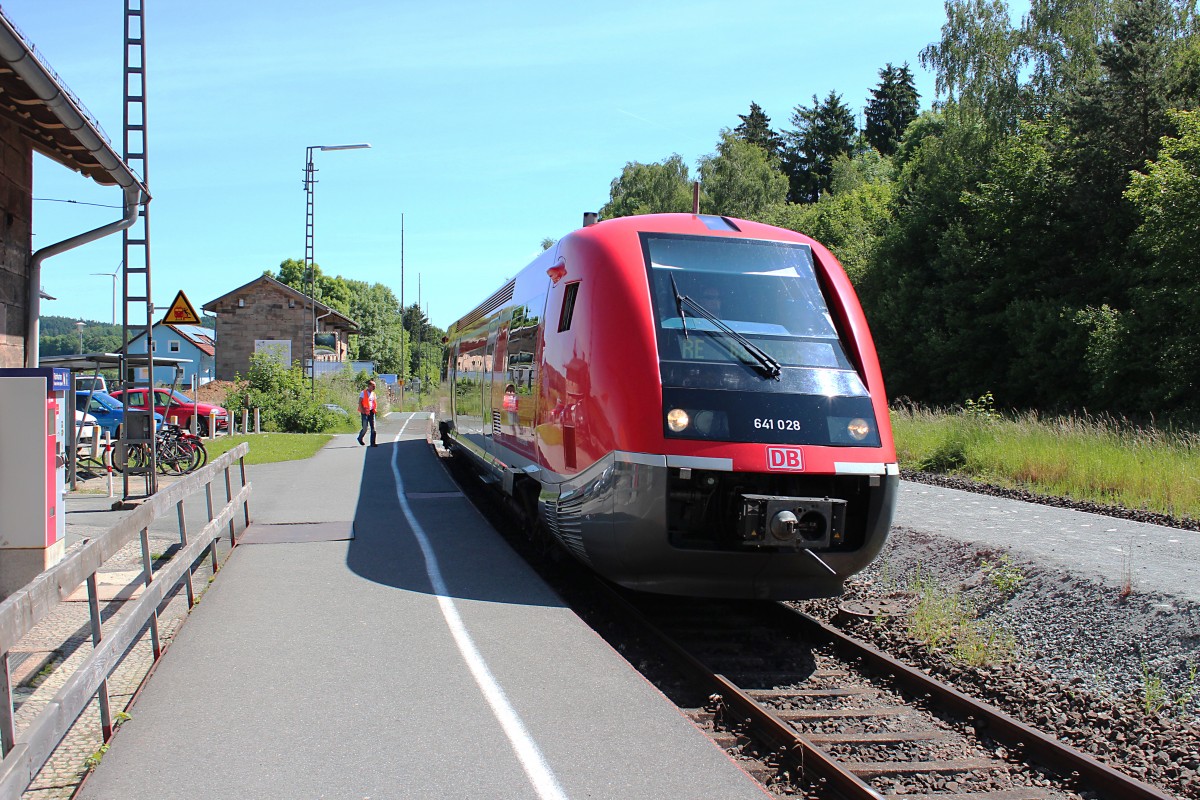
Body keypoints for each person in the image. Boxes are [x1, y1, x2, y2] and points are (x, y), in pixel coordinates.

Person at [358, 379, 378, 447]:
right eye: (373, 386)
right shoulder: (363, 393)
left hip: (372, 412)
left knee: (373, 428)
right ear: (369, 386)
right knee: (365, 428)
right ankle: (360, 438)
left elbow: (373, 402)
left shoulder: (373, 394)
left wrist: (374, 409)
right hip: (364, 412)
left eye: (375, 386)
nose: (374, 387)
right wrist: (362, 410)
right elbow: (360, 402)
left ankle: (373, 443)